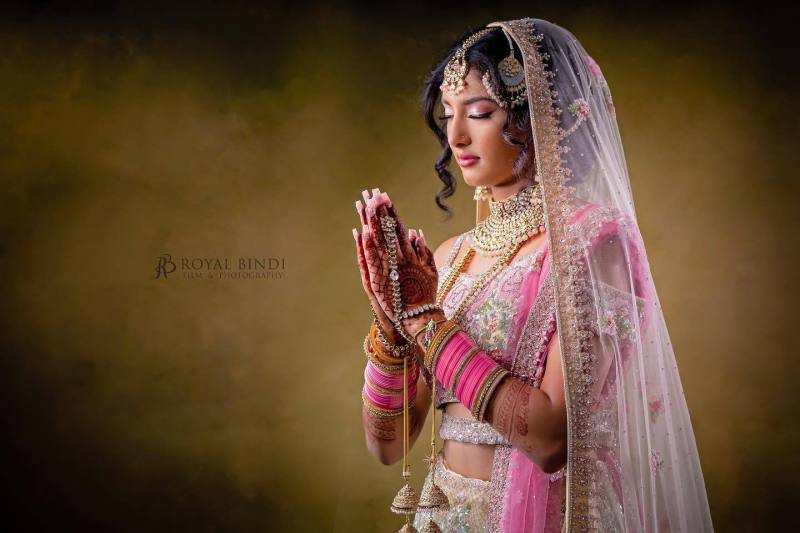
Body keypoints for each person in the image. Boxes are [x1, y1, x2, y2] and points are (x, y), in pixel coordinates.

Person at [353, 17, 714, 533]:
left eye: (479, 113)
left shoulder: (593, 245)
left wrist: (425, 321)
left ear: (537, 116)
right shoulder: (450, 257)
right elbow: (386, 447)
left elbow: (550, 439)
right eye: (448, 113)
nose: (455, 135)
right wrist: (390, 327)